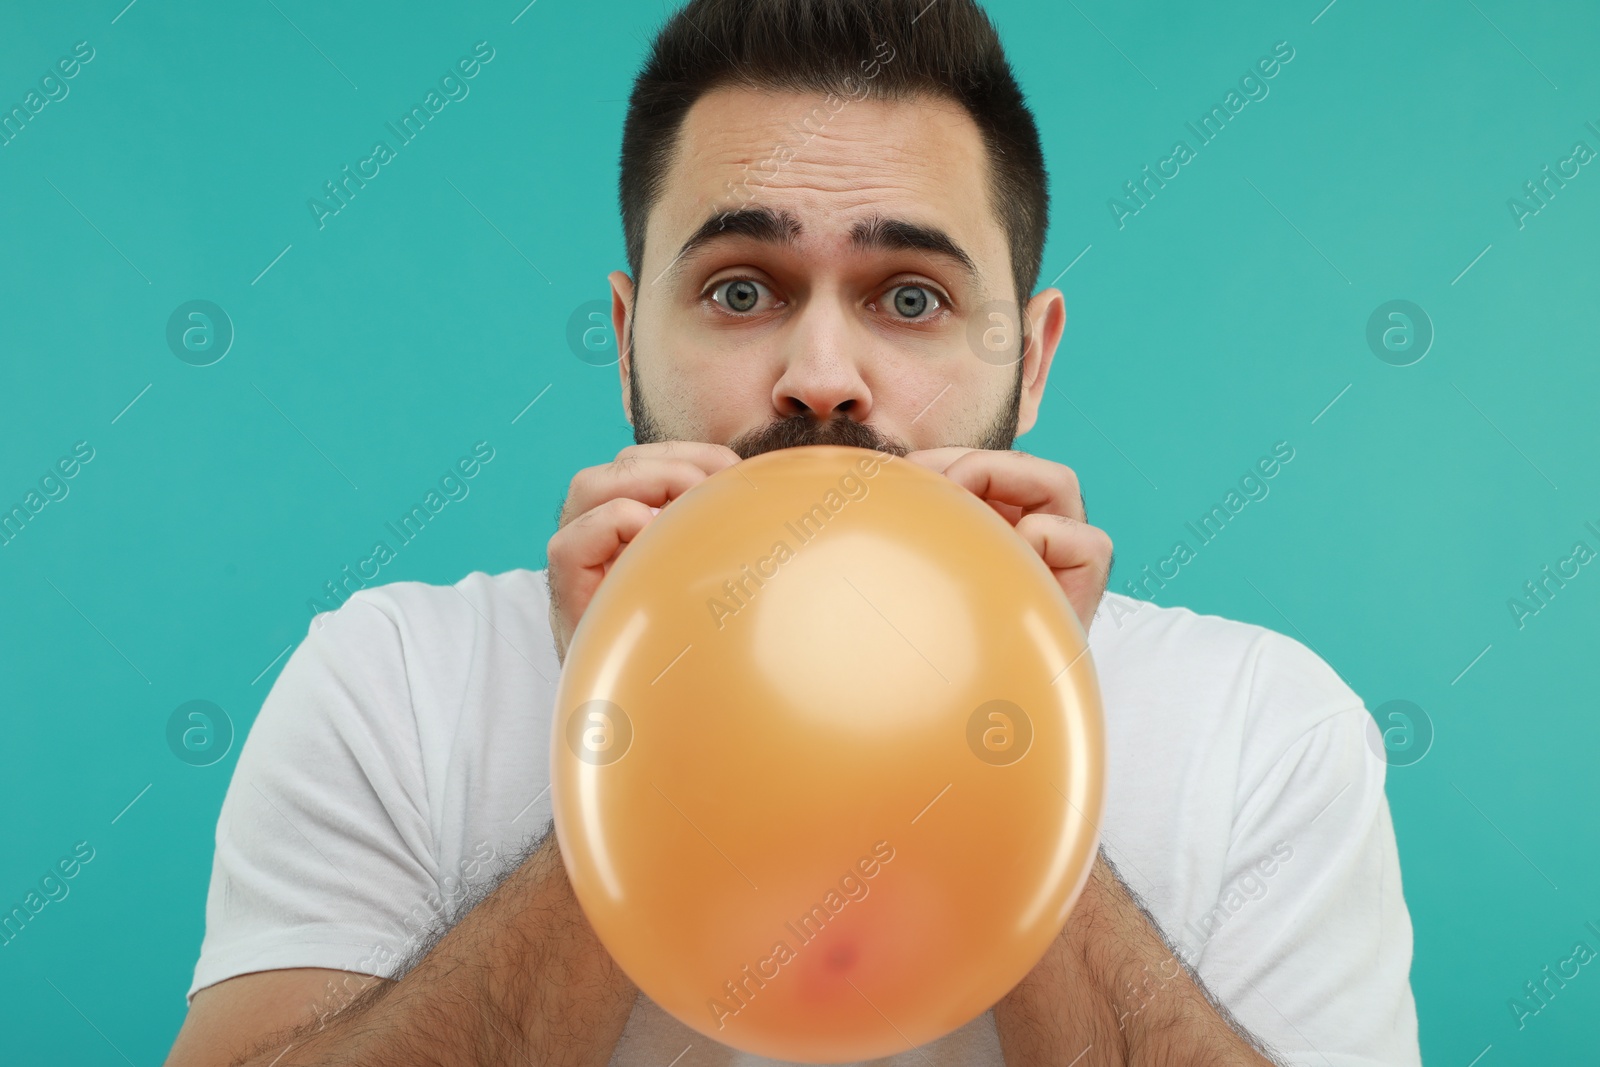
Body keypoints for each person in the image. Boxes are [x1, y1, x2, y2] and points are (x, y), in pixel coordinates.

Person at [163, 1, 1422, 1064]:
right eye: (740, 288)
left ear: (1029, 363)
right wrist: (639, 740)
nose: (822, 377)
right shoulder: (389, 680)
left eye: (911, 297)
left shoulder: (1269, 724)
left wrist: (1010, 742)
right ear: (624, 337)